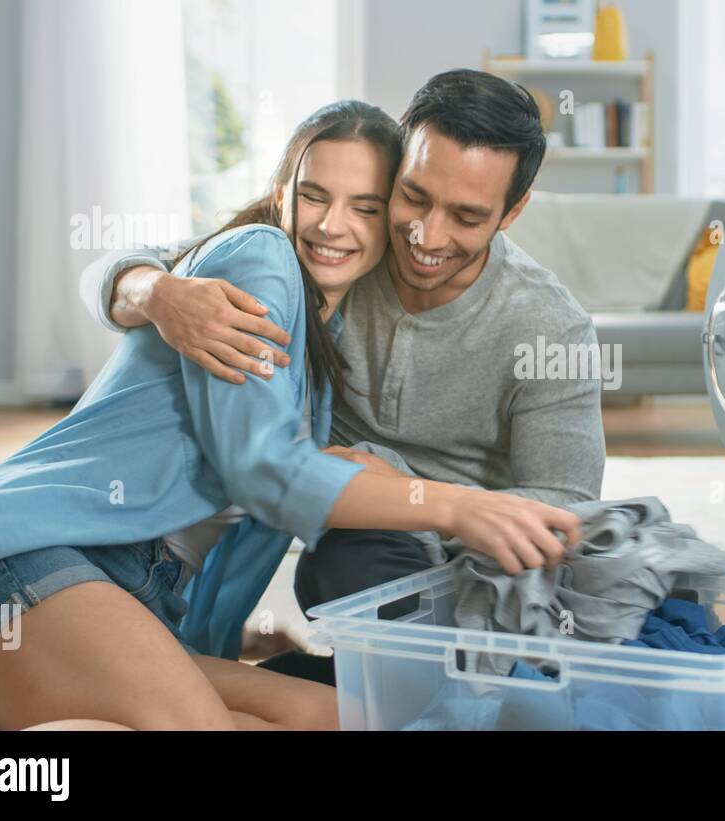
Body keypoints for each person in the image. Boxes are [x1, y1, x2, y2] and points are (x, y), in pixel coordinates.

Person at [0, 100, 580, 732]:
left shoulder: (327, 334)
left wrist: (226, 634)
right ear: (280, 188)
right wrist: (457, 505)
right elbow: (266, 470)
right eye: (314, 195)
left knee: (334, 718)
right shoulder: (262, 257)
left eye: (365, 206)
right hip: (22, 570)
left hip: (128, 602)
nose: (331, 224)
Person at [80, 70, 608, 684]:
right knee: (349, 570)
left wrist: (414, 490)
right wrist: (156, 291)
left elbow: (569, 507)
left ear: (512, 211)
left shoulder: (550, 326)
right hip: (361, 547)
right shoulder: (339, 252)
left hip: (472, 561)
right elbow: (115, 270)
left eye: (466, 216)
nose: (425, 236)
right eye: (413, 197)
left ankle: (323, 683)